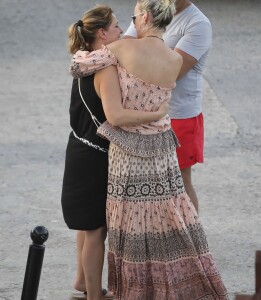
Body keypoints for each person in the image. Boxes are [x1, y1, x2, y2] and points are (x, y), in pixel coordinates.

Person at [70, 0, 228, 299]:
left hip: (127, 149)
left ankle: (133, 289)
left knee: (128, 219)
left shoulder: (120, 51)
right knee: (166, 211)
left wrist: (83, 50)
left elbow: (78, 66)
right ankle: (173, 282)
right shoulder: (173, 59)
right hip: (163, 145)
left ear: (143, 18)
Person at [62, 5, 169, 300]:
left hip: (78, 149)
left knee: (86, 226)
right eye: (118, 27)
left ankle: (83, 282)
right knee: (97, 230)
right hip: (96, 157)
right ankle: (95, 296)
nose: (123, 31)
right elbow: (117, 116)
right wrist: (155, 114)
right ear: (102, 33)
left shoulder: (85, 61)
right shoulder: (105, 68)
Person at [123, 0, 212, 212]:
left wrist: (139, 57)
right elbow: (125, 47)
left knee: (179, 182)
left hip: (179, 116)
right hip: (145, 113)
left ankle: (192, 241)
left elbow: (171, 73)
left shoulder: (197, 24)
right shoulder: (150, 6)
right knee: (146, 180)